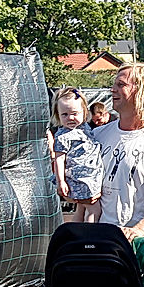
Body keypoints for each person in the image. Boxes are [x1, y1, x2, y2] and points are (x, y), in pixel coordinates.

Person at [92, 63, 144, 240]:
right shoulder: (97, 135)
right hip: (98, 239)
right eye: (114, 84)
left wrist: (137, 230)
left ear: (142, 91)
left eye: (121, 85)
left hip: (134, 242)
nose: (112, 89)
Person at [50, 87, 102, 223]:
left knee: (81, 208)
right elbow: (59, 160)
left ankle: (77, 234)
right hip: (80, 177)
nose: (70, 118)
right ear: (58, 115)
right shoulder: (63, 136)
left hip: (88, 174)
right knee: (94, 209)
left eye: (74, 113)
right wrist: (61, 181)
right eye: (64, 115)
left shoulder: (84, 128)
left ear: (84, 112)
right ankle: (90, 236)